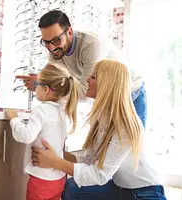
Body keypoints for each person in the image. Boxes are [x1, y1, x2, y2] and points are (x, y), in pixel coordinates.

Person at [31, 60, 167, 200]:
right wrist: (59, 155)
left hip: (145, 194)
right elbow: (91, 158)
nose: (88, 79)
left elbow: (100, 175)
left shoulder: (124, 125)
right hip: (118, 188)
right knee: (71, 188)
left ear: (106, 84)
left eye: (94, 77)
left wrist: (56, 162)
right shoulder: (103, 116)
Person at [16, 10, 147, 128]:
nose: (51, 48)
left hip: (131, 91)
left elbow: (85, 91)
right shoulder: (55, 49)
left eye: (56, 40)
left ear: (70, 32)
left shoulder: (92, 44)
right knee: (105, 145)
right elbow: (55, 81)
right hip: (103, 96)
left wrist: (44, 86)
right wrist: (43, 82)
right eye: (46, 42)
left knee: (133, 145)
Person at [5, 63, 80, 200]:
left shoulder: (42, 110)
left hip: (41, 180)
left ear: (46, 89)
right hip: (59, 178)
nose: (34, 89)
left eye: (36, 85)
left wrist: (14, 119)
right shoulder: (63, 111)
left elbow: (27, 136)